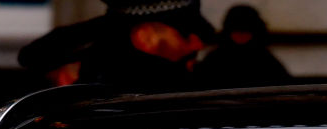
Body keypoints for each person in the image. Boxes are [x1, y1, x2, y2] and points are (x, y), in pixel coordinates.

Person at [18, 0, 214, 89]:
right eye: (187, 34)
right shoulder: (98, 76)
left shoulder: (201, 73)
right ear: (145, 36)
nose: (197, 44)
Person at [195, 4, 291, 89]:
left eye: (245, 30)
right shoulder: (214, 60)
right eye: (236, 30)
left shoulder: (267, 61)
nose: (241, 34)